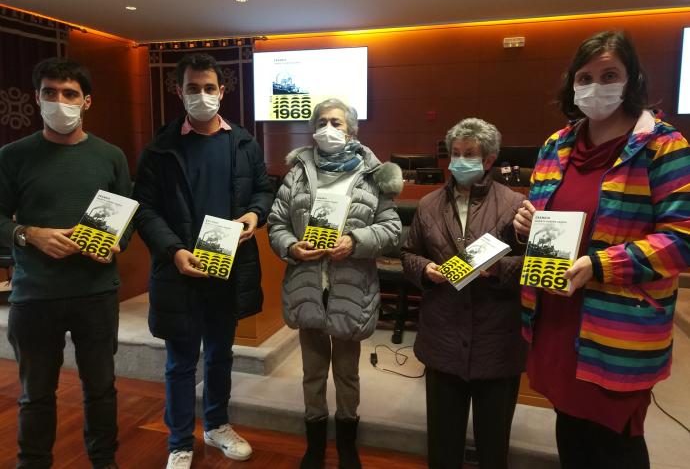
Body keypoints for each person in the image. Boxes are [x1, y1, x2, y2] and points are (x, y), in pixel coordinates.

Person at [513, 30, 690, 469]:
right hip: (555, 315)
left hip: (618, 329)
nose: (595, 85)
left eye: (609, 74)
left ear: (632, 80)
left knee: (615, 445)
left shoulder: (664, 146)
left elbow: (682, 238)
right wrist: (526, 225)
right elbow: (544, 216)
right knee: (570, 434)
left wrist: (598, 265)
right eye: (585, 76)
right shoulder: (557, 145)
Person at [132, 53, 274, 469]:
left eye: (209, 88)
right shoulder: (159, 149)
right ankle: (179, 440)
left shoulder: (244, 142)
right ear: (179, 91)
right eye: (193, 88)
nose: (202, 95)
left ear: (222, 91)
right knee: (179, 363)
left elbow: (263, 191)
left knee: (220, 356)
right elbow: (144, 208)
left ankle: (215, 425)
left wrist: (254, 216)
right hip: (179, 273)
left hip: (228, 274)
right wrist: (174, 251)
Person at [0, 57, 132, 469]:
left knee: (101, 389)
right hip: (35, 295)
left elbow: (126, 217)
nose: (60, 102)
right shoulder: (12, 155)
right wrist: (28, 234)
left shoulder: (111, 156)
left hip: (96, 293)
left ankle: (103, 462)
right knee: (35, 394)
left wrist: (114, 245)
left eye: (70, 94)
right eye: (50, 93)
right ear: (37, 99)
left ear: (86, 101)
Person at [267, 98, 402, 469]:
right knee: (311, 373)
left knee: (346, 373)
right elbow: (276, 223)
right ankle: (314, 444)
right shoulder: (297, 173)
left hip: (351, 288)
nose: (329, 128)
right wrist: (291, 246)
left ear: (352, 130)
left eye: (337, 123)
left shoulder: (373, 175)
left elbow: (392, 230)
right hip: (305, 286)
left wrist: (356, 241)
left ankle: (346, 444)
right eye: (323, 121)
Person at [401, 118, 526, 469]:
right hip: (442, 337)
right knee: (442, 444)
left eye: (469, 154)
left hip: (496, 340)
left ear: (489, 159)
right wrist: (424, 270)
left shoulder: (516, 205)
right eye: (455, 154)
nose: (460, 161)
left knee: (493, 445)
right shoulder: (428, 204)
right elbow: (408, 253)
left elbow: (533, 263)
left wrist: (498, 269)